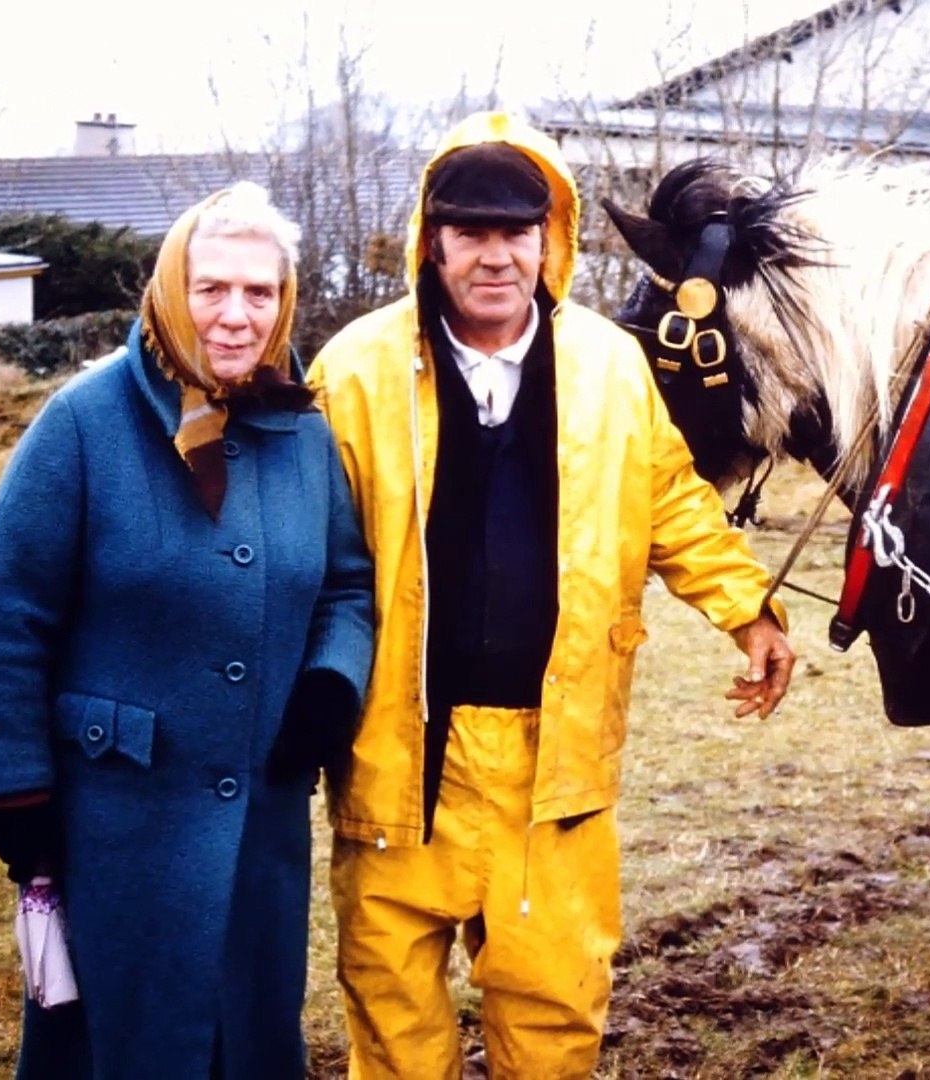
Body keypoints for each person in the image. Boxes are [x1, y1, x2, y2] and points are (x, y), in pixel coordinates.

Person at [308, 111, 797, 1079]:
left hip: (553, 767)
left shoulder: (611, 369)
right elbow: (298, 548)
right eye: (471, 232)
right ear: (431, 239)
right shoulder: (355, 370)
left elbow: (671, 502)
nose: (495, 256)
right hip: (402, 762)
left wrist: (749, 608)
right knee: (393, 1029)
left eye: (515, 232)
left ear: (550, 238)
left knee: (555, 1023)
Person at [0, 181, 375, 1078]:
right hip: (117, 821)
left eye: (258, 292)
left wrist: (330, 682)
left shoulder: (300, 430)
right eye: (211, 288)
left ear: (284, 300)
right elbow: (5, 619)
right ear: (167, 291)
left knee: (249, 1037)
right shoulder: (84, 422)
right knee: (123, 1044)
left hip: (261, 815)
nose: (235, 315)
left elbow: (346, 584)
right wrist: (16, 794)